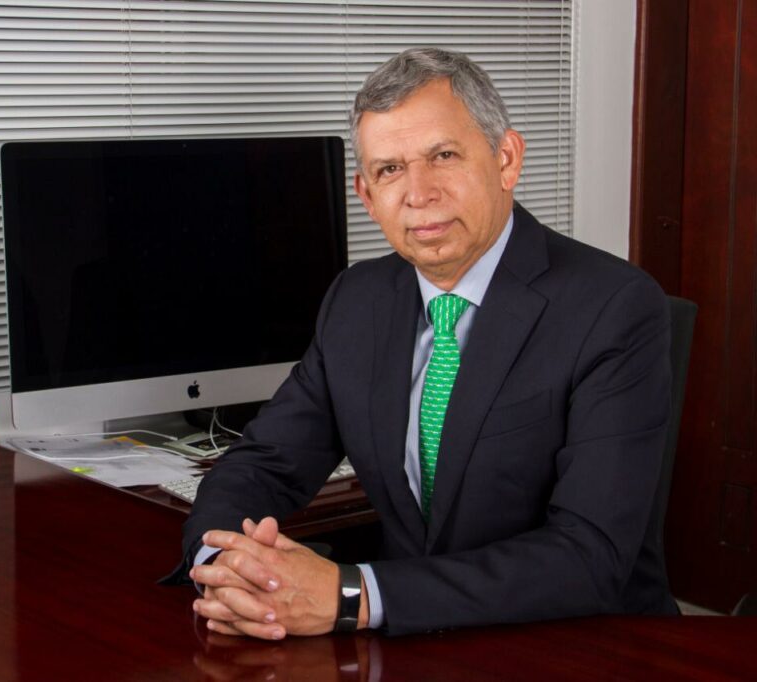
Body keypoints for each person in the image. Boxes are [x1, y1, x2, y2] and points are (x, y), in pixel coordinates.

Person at [174, 47, 677, 639]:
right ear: (366, 195)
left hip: (579, 644)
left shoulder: (614, 307)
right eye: (390, 169)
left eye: (443, 156)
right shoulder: (357, 299)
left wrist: (352, 595)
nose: (419, 193)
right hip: (413, 644)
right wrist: (225, 567)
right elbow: (266, 463)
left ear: (507, 159)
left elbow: (591, 554)